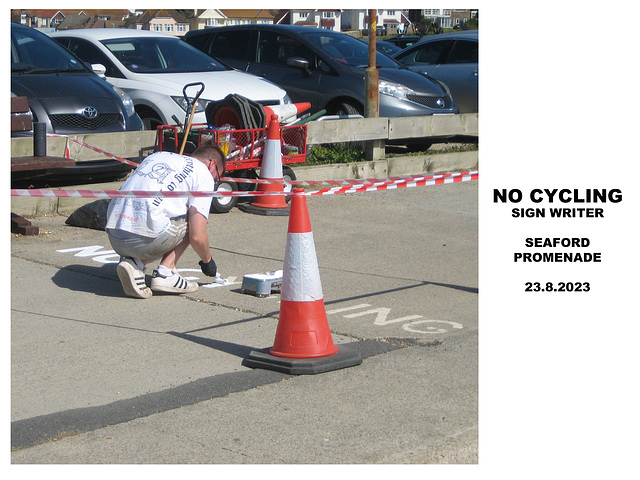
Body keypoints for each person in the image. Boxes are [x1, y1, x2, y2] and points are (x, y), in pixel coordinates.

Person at [105, 145, 226, 299]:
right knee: (192, 218)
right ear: (212, 164)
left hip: (115, 234)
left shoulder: (158, 155)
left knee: (161, 216)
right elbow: (197, 235)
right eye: (217, 177)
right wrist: (207, 261)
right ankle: (165, 273)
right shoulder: (203, 173)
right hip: (143, 238)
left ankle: (135, 264)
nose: (214, 181)